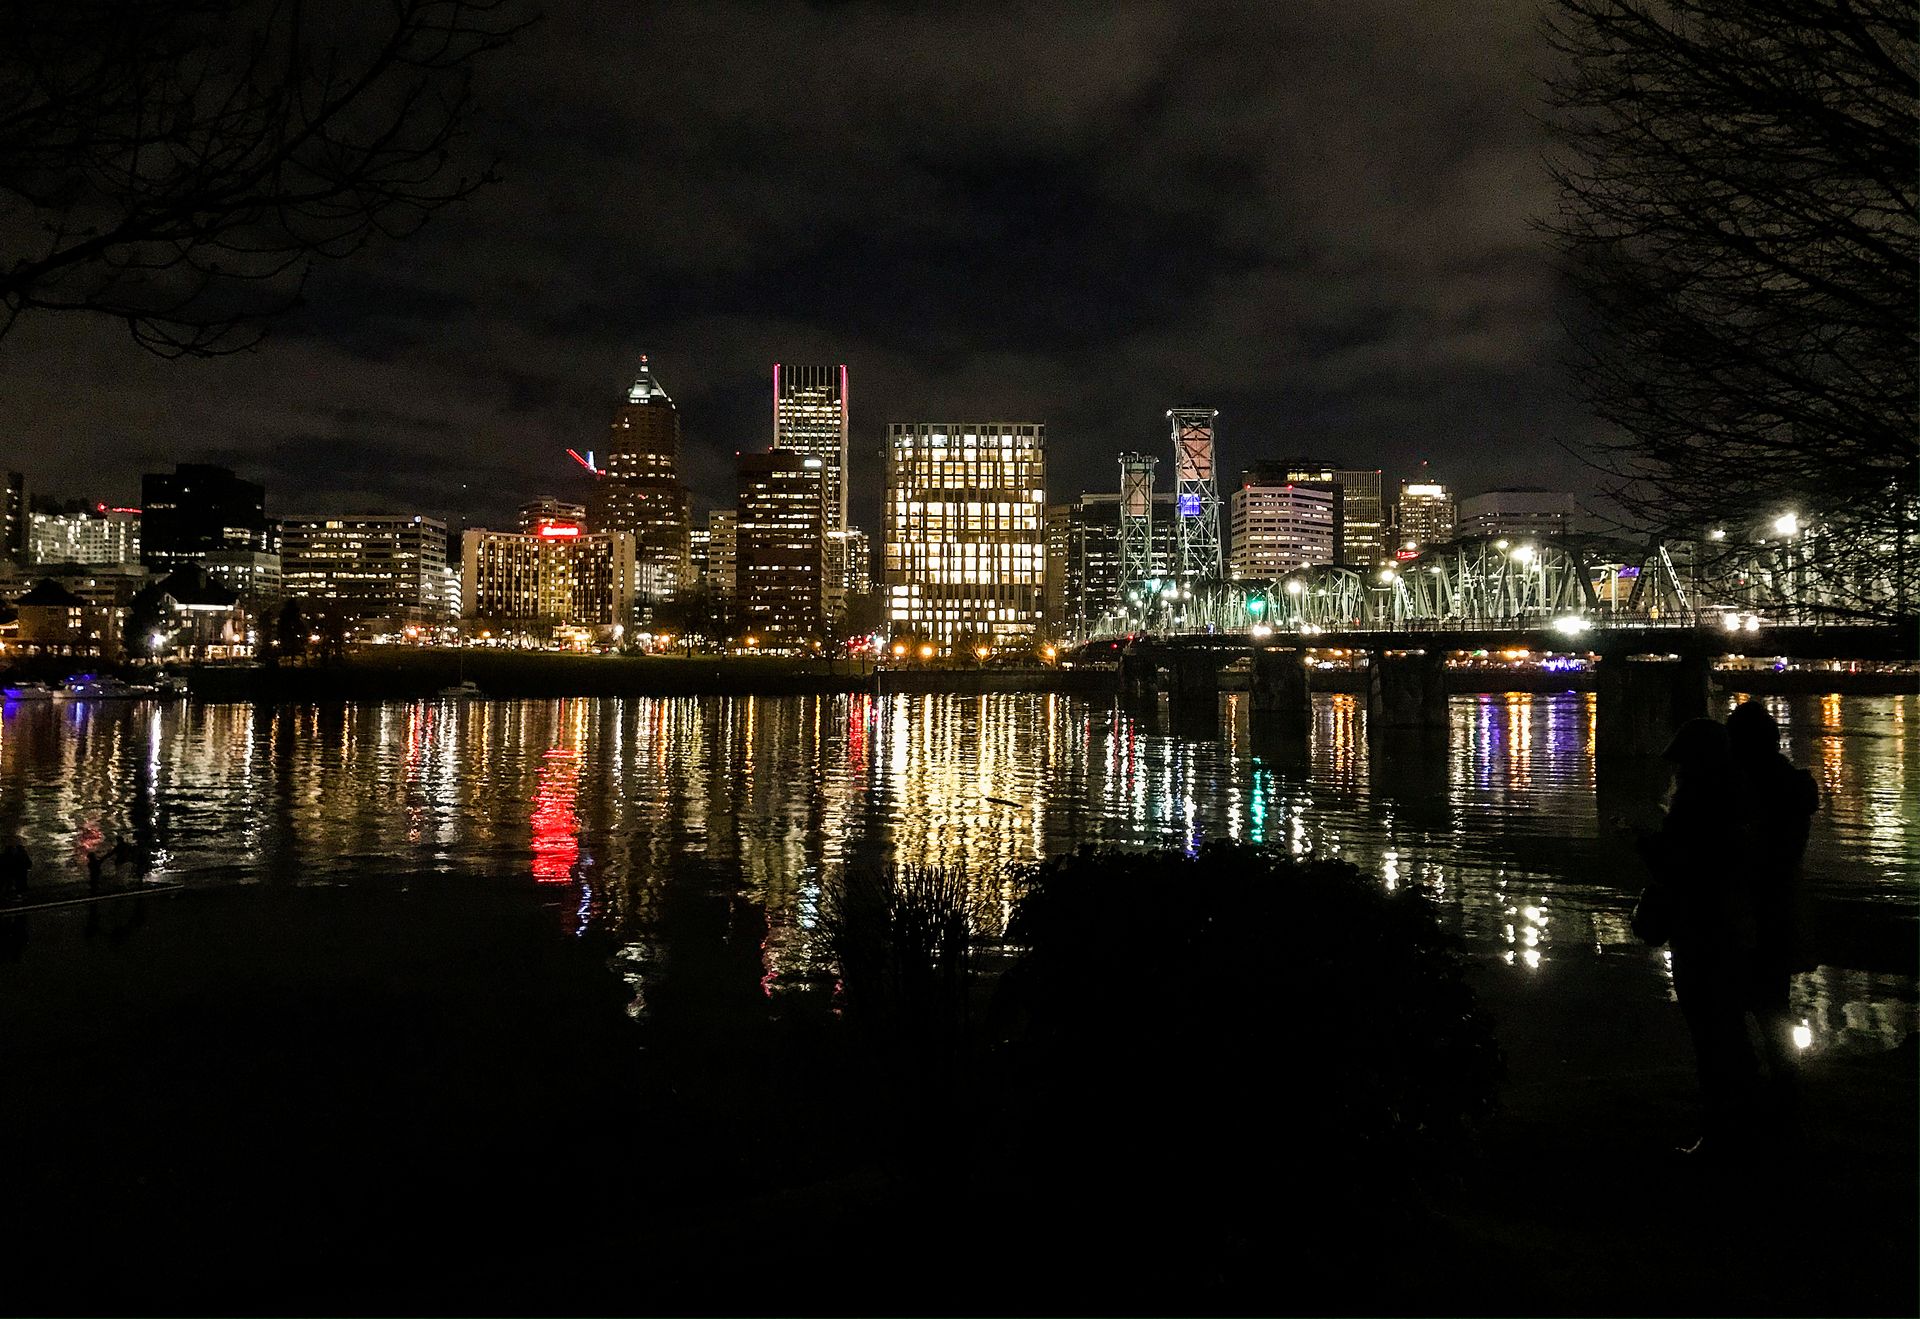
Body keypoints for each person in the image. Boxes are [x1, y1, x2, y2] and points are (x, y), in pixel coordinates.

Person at [1636, 716, 1757, 1155]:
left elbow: (1678, 870)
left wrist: (1643, 844)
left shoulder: (1693, 807)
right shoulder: (1739, 798)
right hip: (1731, 926)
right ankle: (1745, 1119)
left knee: (1709, 1030)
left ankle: (1720, 1131)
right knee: (1729, 1027)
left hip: (1699, 929)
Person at [1728, 699, 1819, 1133]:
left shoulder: (1751, 790)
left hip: (1751, 910)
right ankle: (1786, 1084)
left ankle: (1755, 1095)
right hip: (1782, 907)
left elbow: (1743, 852)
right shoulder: (1792, 787)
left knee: (1738, 1004)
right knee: (1773, 1003)